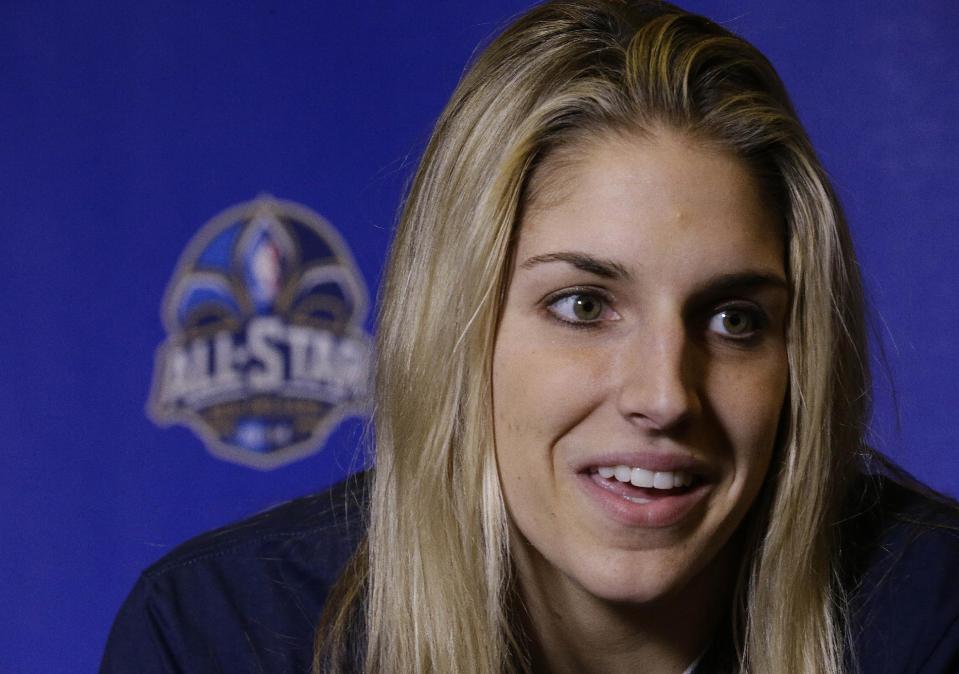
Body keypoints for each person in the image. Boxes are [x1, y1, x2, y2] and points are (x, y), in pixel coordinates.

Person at [101, 1, 959, 673]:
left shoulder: (930, 613)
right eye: (583, 305)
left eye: (734, 320)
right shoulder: (224, 635)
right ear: (455, 327)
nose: (663, 394)